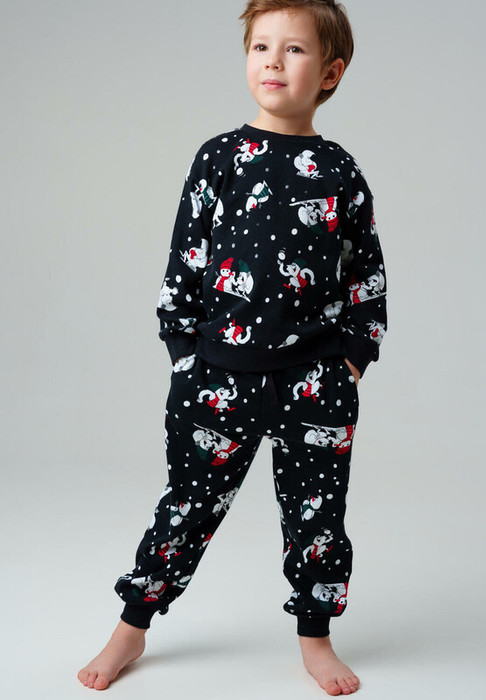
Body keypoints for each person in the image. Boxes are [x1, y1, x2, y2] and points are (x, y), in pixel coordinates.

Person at [78, 0, 387, 695]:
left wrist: (351, 360)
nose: (273, 61)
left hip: (313, 380)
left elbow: (365, 275)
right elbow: (184, 261)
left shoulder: (339, 171)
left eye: (294, 49)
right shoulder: (218, 158)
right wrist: (185, 355)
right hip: (217, 376)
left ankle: (315, 637)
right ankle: (132, 625)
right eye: (260, 47)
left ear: (330, 72)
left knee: (317, 517)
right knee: (186, 506)